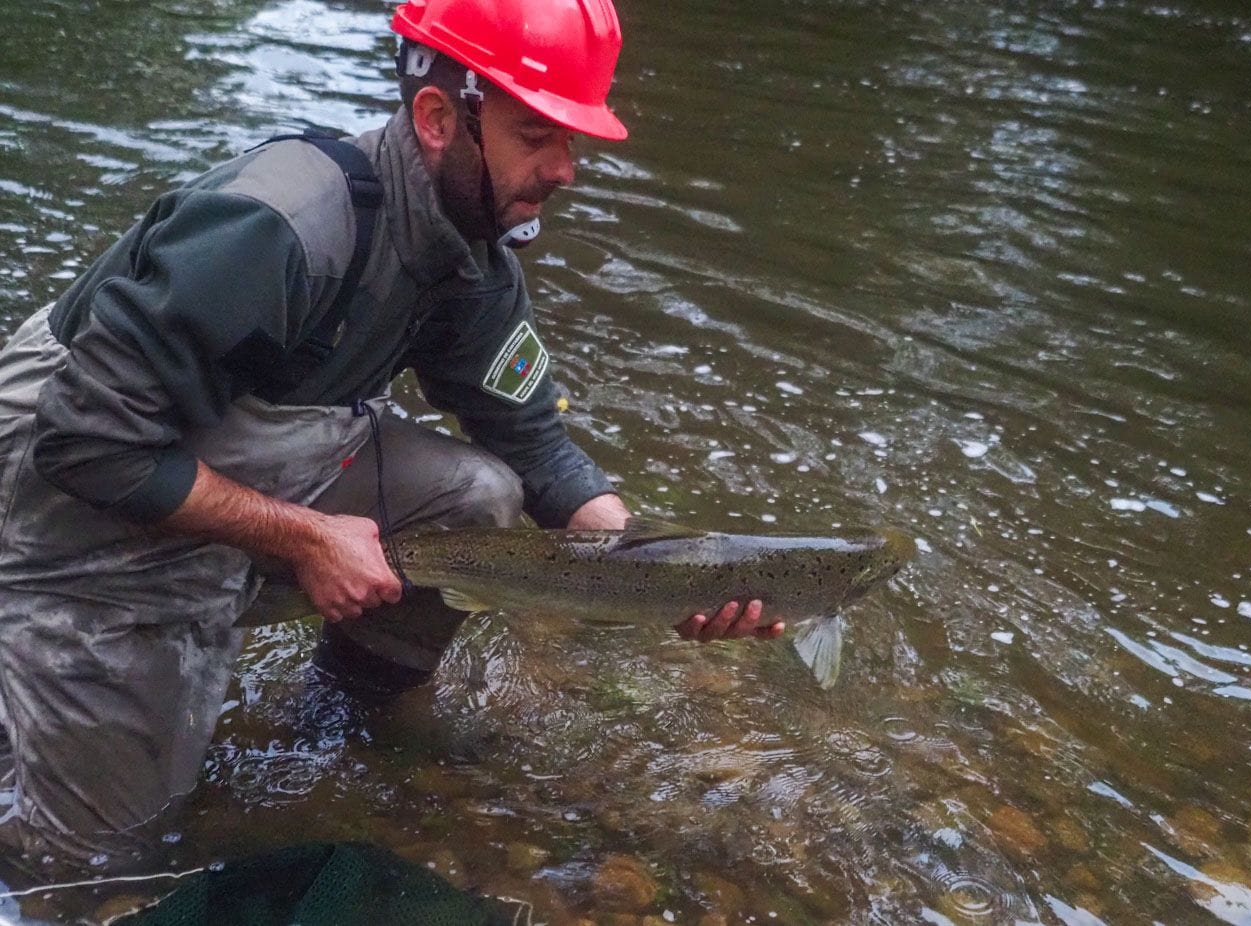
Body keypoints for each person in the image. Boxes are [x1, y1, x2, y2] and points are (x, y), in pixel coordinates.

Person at [0, 0, 783, 871]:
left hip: (207, 460)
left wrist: (665, 571)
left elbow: (532, 444)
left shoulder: (472, 251)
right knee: (100, 859)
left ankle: (350, 716)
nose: (565, 170)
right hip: (61, 492)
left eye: (573, 142)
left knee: (479, 495)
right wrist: (307, 537)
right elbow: (86, 441)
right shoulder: (278, 226)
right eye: (537, 135)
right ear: (439, 118)